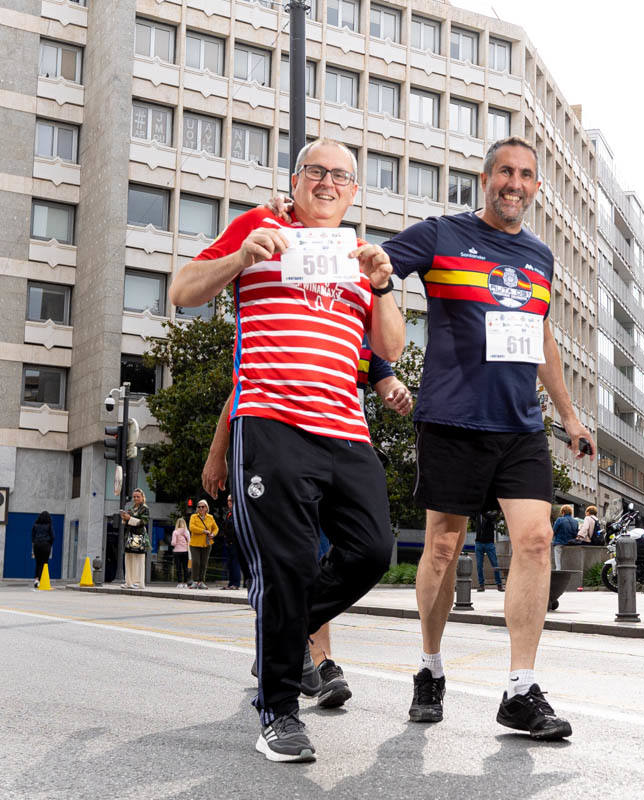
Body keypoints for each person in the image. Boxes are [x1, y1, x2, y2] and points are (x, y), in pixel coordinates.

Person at [170, 137, 403, 762]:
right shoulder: (258, 225)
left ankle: (285, 631)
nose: (328, 183)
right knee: (288, 565)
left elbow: (393, 347)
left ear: (355, 191)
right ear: (295, 180)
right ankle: (277, 711)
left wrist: (382, 287)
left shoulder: (360, 255)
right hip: (271, 422)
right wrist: (239, 257)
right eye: (316, 171)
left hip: (346, 429)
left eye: (342, 176)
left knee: (373, 549)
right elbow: (181, 290)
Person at [381, 136, 595, 741]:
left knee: (532, 543)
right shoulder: (442, 235)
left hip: (519, 425)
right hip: (451, 419)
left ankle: (520, 690)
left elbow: (543, 337)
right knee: (443, 551)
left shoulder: (538, 256)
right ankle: (430, 666)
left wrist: (570, 417)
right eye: (506, 171)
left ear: (534, 187)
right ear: (485, 178)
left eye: (526, 175)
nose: (515, 183)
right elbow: (378, 268)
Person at [202, 341, 411, 710]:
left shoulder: (358, 327)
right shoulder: (289, 320)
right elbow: (241, 387)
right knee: (300, 560)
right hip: (285, 447)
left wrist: (395, 390)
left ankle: (291, 640)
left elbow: (384, 371)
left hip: (341, 446)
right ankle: (318, 662)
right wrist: (219, 453)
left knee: (361, 552)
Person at [121, 488, 151, 589]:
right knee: (128, 558)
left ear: (142, 497)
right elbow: (126, 522)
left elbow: (143, 522)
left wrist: (130, 518)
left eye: (138, 496)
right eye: (134, 496)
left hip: (139, 536)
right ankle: (128, 581)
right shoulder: (131, 508)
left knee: (139, 560)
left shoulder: (145, 508)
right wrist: (124, 518)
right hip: (129, 536)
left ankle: (138, 582)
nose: (136, 498)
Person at [188, 500, 218, 589]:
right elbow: (191, 528)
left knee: (204, 563)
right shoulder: (193, 517)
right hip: (195, 543)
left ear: (206, 508)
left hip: (207, 543)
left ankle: (201, 581)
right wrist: (203, 531)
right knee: (196, 562)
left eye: (203, 507)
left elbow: (216, 528)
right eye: (199, 507)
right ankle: (195, 581)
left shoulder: (210, 517)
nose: (201, 508)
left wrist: (213, 534)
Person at [474, 510, 503, 592]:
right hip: (478, 543)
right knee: (479, 566)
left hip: (489, 544)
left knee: (495, 564)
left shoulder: (490, 515)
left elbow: (492, 515)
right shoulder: (478, 514)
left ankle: (499, 585)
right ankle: (481, 585)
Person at [219, 496, 242, 590]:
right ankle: (231, 583)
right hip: (228, 541)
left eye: (230, 500)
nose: (229, 502)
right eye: (228, 500)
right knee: (230, 563)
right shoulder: (229, 513)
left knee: (235, 563)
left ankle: (236, 584)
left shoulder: (238, 512)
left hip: (235, 541)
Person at [31, 510, 54, 588]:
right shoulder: (49, 526)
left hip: (37, 545)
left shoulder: (35, 525)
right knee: (45, 563)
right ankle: (43, 579)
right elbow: (52, 537)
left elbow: (32, 537)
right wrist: (49, 544)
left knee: (38, 563)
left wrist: (36, 542)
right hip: (46, 545)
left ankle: (36, 580)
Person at [551, 505, 578, 570]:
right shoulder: (575, 521)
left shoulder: (559, 519)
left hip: (559, 543)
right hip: (571, 544)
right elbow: (576, 533)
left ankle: (558, 570)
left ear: (563, 512)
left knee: (557, 558)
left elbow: (553, 531)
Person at [171, 518, 190, 587]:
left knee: (178, 568)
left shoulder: (175, 532)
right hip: (185, 551)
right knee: (185, 567)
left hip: (177, 552)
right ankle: (185, 583)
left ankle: (179, 583)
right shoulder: (187, 532)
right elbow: (189, 542)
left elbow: (173, 543)